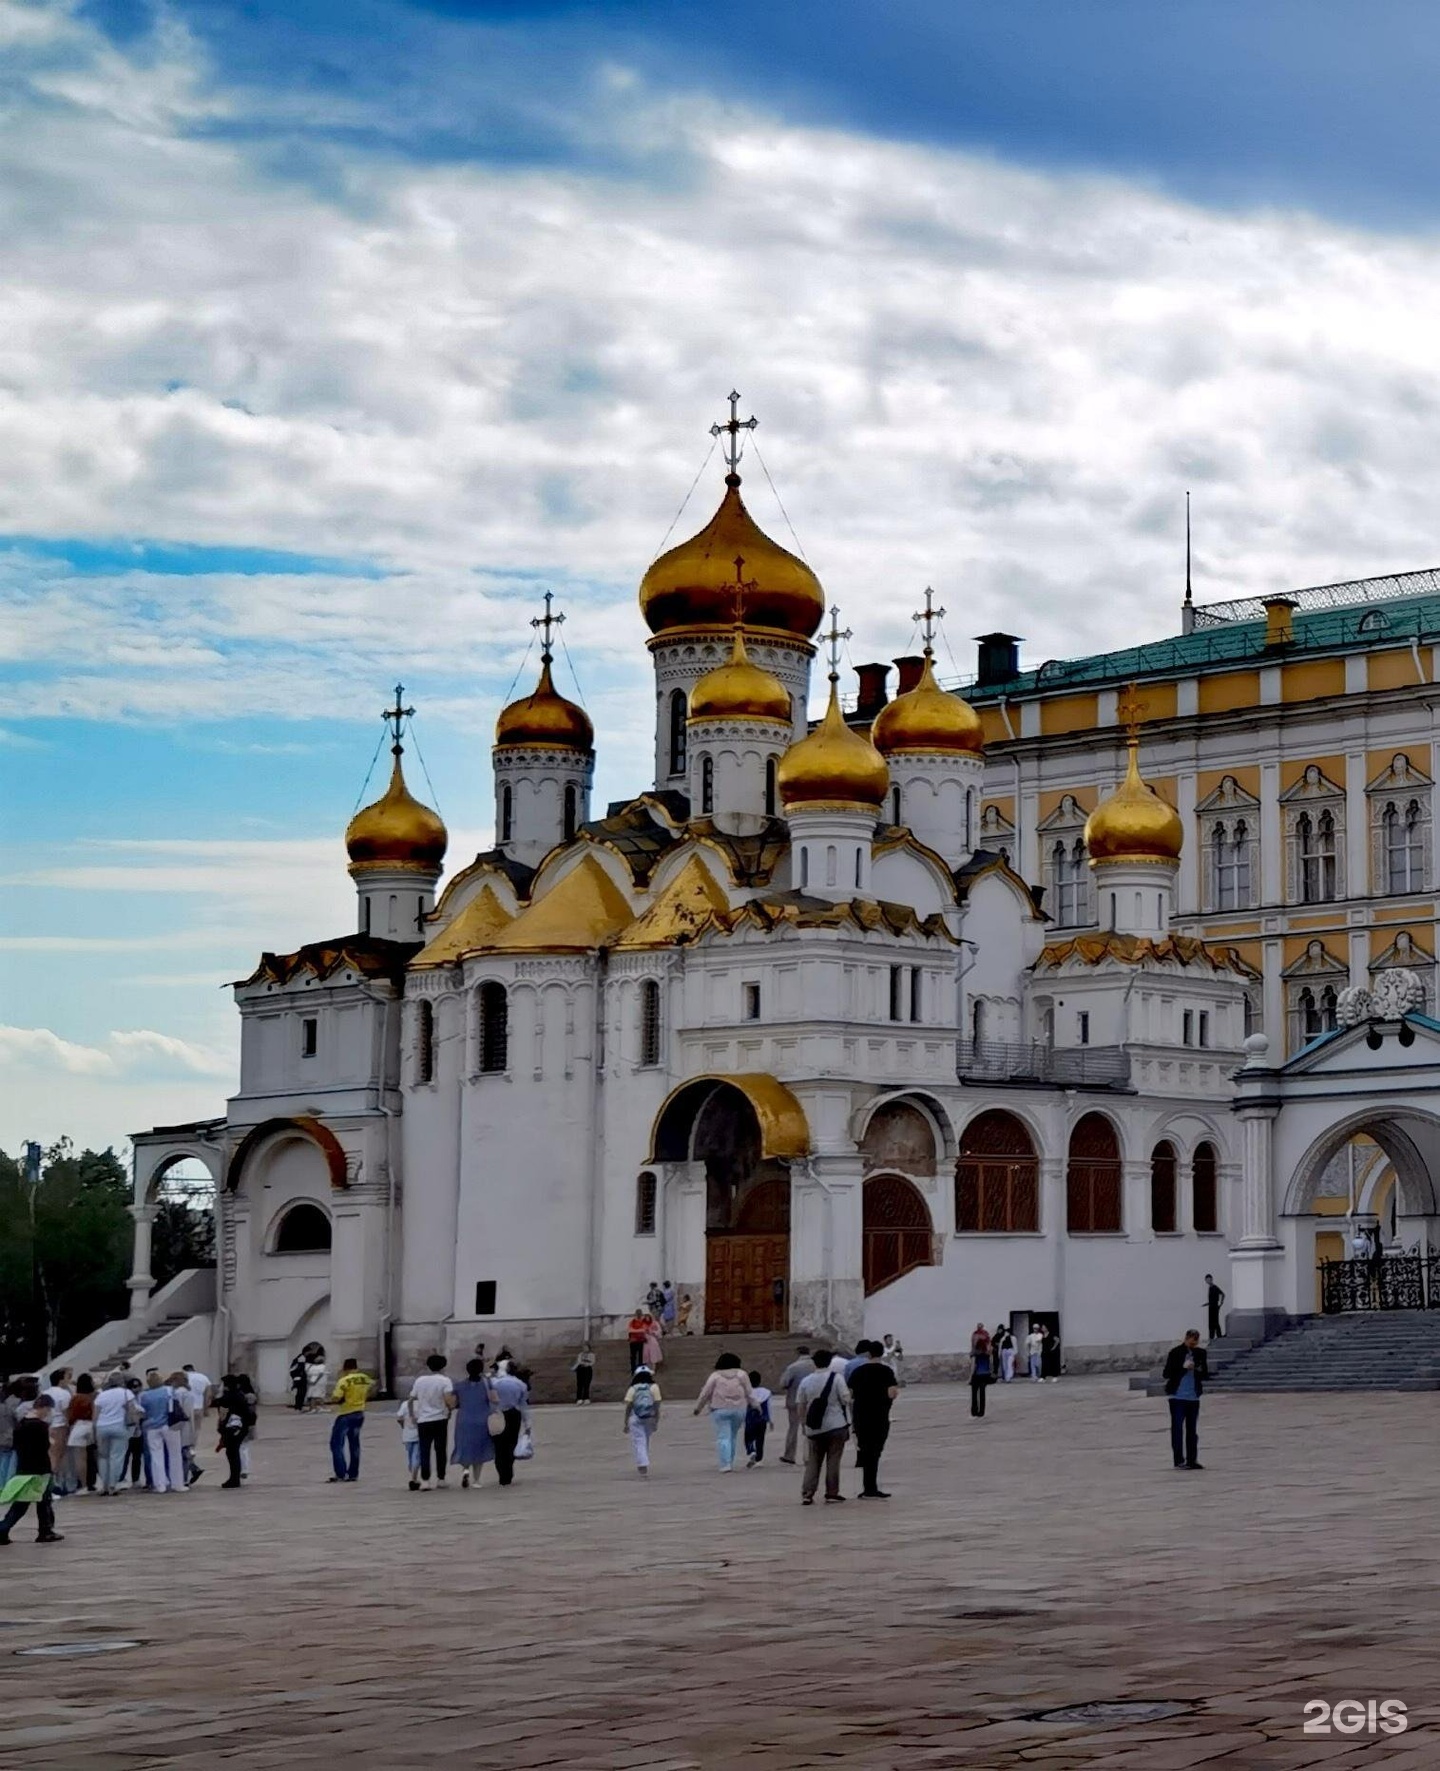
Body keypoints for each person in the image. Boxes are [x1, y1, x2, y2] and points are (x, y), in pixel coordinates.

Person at [0, 1395, 62, 1545]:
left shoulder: (20, 1425)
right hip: (40, 1469)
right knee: (43, 1501)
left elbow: (16, 1446)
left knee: (23, 1503)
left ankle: (4, 1529)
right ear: (45, 1408)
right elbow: (45, 1448)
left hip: (24, 1468)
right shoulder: (41, 1426)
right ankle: (45, 1531)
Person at [795, 1349, 851, 1505]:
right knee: (833, 1460)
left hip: (814, 1427)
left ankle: (807, 1493)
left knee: (813, 1461)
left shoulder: (806, 1381)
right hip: (836, 1424)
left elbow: (801, 1405)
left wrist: (804, 1424)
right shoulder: (837, 1378)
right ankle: (832, 1493)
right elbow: (846, 1399)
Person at [849, 1342, 899, 1499]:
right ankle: (871, 1487)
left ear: (868, 1354)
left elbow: (849, 1394)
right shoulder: (886, 1371)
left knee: (865, 1449)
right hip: (880, 1415)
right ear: (882, 1353)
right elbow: (892, 1392)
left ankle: (868, 1486)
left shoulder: (858, 1371)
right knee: (876, 1451)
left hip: (861, 1415)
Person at [693, 1353, 755, 1473]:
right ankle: (730, 1461)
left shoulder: (715, 1376)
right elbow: (749, 1392)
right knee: (733, 1436)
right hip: (739, 1409)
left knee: (723, 1436)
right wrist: (755, 1404)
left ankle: (725, 1463)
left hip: (719, 1408)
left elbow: (705, 1393)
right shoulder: (742, 1374)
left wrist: (698, 1407)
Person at [409, 1355, 456, 1490]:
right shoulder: (445, 1381)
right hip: (440, 1418)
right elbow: (448, 1399)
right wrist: (451, 1406)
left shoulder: (420, 1381)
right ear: (443, 1366)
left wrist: (413, 1415)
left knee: (424, 1450)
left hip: (423, 1419)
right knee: (440, 1449)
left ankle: (425, 1480)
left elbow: (411, 1399)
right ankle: (441, 1478)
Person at [1163, 1330, 1208, 1470]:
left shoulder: (1200, 1353)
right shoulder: (1176, 1352)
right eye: (1192, 1341)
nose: (1194, 1344)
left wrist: (1197, 1368)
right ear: (1186, 1338)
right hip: (1177, 1397)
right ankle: (1178, 1460)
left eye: (1196, 1341)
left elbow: (1205, 1373)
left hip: (1193, 1397)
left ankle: (1192, 1459)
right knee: (1177, 1429)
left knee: (1192, 1430)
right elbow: (1167, 1373)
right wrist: (1182, 1367)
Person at [453, 1358, 498, 1489]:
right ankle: (476, 1480)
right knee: (480, 1449)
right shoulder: (487, 1383)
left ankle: (465, 1470)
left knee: (464, 1446)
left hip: (464, 1419)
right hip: (482, 1419)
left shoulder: (459, 1385)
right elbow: (495, 1399)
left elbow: (453, 1403)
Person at [327, 1358, 374, 1483]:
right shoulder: (365, 1378)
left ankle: (341, 1473)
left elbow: (336, 1397)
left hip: (346, 1413)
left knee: (336, 1444)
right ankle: (353, 1473)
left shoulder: (344, 1380)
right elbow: (371, 1390)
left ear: (344, 1368)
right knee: (354, 1444)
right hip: (359, 1412)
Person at [138, 1372, 185, 1494]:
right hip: (170, 1425)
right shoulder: (169, 1391)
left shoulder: (144, 1396)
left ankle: (160, 1485)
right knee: (175, 1454)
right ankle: (178, 1483)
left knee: (156, 1456)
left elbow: (142, 1412)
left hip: (151, 1427)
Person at [93, 1372, 135, 1495]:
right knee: (117, 1456)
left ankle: (104, 1485)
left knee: (103, 1457)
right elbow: (132, 1411)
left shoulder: (101, 1395)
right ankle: (113, 1484)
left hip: (102, 1427)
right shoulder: (126, 1393)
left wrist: (94, 1430)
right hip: (119, 1426)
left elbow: (95, 1415)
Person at [489, 1364, 530, 1486]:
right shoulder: (520, 1384)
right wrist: (527, 1424)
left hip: (497, 1415)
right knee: (511, 1444)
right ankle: (508, 1471)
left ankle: (502, 1473)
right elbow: (523, 1406)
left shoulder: (494, 1383)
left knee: (498, 1445)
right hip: (513, 1415)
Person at [214, 1376, 255, 1488]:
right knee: (232, 1452)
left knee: (232, 1453)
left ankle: (234, 1479)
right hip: (239, 1428)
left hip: (234, 1428)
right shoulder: (238, 1395)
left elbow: (221, 1408)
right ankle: (234, 1478)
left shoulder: (230, 1397)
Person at [623, 1363, 662, 1475]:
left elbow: (629, 1406)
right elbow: (657, 1404)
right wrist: (656, 1420)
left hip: (635, 1417)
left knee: (639, 1440)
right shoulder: (654, 1387)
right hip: (649, 1417)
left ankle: (642, 1464)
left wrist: (626, 1422)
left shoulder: (633, 1389)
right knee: (646, 1440)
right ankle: (643, 1460)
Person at [43, 1367, 73, 1493]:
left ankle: (55, 1482)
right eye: (68, 1377)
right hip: (60, 1426)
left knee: (51, 1454)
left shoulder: (45, 1393)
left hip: (48, 1426)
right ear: (61, 1379)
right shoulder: (64, 1394)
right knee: (58, 1456)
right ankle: (53, 1485)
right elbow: (66, 1412)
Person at [67, 1373, 97, 1494]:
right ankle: (92, 1482)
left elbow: (71, 1415)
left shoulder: (76, 1398)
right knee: (92, 1457)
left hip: (80, 1425)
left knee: (80, 1459)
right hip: (92, 1425)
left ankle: (83, 1485)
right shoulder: (94, 1396)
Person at [744, 1371, 772, 1466]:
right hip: (762, 1419)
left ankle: (751, 1451)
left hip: (750, 1419)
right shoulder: (766, 1392)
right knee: (760, 1439)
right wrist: (770, 1420)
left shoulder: (746, 1392)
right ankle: (759, 1459)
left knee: (748, 1437)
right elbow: (769, 1407)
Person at [396, 1393, 421, 1490]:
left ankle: (413, 1474)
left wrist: (403, 1426)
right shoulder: (422, 1404)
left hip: (407, 1435)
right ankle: (414, 1478)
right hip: (419, 1434)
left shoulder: (405, 1404)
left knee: (410, 1455)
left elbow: (399, 1418)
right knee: (417, 1456)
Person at [969, 1325, 992, 1418]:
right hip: (985, 1374)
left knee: (974, 1393)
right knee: (982, 1393)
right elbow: (991, 1362)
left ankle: (974, 1411)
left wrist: (970, 1377)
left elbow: (973, 1365)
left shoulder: (975, 1353)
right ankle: (981, 1412)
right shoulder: (987, 1352)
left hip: (977, 1374)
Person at [1204, 1274, 1226, 1342]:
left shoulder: (1215, 1287)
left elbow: (1223, 1294)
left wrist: (1221, 1303)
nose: (1208, 1281)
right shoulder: (1210, 1288)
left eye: (1209, 1279)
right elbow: (1212, 1299)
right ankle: (1212, 1337)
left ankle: (1218, 1336)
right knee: (1211, 1322)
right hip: (1211, 1307)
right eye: (1206, 1280)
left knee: (1215, 1322)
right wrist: (1207, 1303)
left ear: (1211, 1279)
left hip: (1215, 1307)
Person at [289, 1347, 312, 1412]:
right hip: (300, 1378)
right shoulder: (301, 1358)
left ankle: (299, 1406)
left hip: (299, 1378)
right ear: (306, 1352)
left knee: (301, 1393)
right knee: (301, 1393)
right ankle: (298, 1406)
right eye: (309, 1352)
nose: (309, 1354)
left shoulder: (300, 1358)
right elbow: (301, 1369)